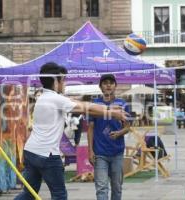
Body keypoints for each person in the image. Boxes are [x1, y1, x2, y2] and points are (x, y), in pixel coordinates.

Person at [15, 63, 128, 200]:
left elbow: (76, 102)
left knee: (28, 194)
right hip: (47, 155)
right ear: (56, 82)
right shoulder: (55, 99)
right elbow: (86, 108)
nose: (65, 83)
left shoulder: (43, 97)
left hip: (31, 152)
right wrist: (112, 113)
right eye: (63, 80)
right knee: (59, 195)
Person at [88, 74, 130, 200]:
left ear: (115, 86)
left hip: (117, 152)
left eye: (111, 83)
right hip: (100, 153)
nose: (108, 85)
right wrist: (90, 150)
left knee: (117, 187)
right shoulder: (94, 105)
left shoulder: (122, 104)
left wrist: (119, 133)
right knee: (101, 187)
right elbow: (90, 128)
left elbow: (128, 127)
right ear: (100, 87)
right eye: (105, 83)